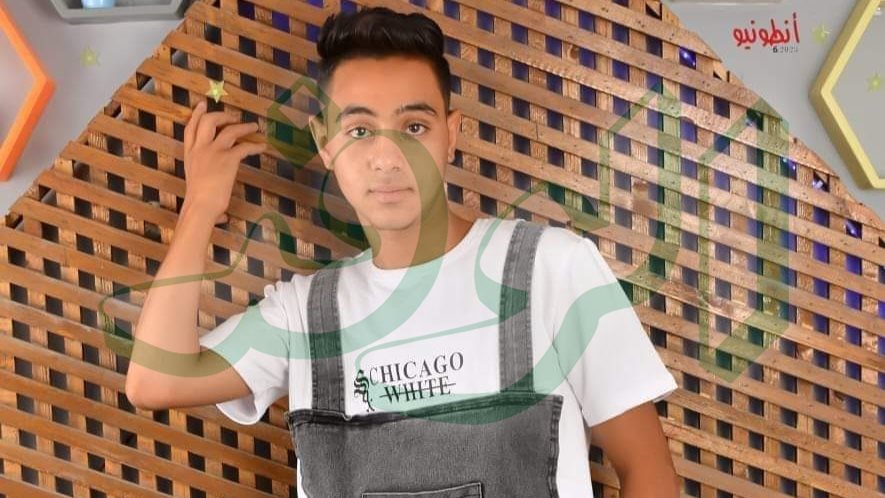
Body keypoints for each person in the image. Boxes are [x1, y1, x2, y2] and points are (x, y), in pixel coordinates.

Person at [125, 5, 680, 497]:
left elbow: (649, 471)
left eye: (414, 126)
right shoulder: (304, 316)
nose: (388, 158)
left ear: (451, 134)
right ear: (324, 143)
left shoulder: (551, 269)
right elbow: (155, 381)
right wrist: (200, 208)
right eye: (359, 131)